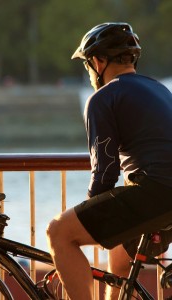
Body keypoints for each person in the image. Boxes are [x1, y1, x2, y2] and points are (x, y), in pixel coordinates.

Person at [46, 22, 172, 299]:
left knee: (59, 232)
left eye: (87, 63)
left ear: (98, 61)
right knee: (119, 250)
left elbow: (104, 172)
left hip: (155, 191)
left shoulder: (103, 97)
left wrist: (88, 212)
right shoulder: (159, 89)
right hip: (161, 193)